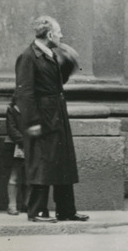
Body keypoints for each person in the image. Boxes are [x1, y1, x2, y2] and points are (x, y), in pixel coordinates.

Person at [15, 16, 88, 223]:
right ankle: (37, 212)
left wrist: (68, 65)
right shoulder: (28, 57)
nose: (61, 35)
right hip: (42, 119)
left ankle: (66, 210)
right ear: (49, 35)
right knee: (42, 163)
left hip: (57, 115)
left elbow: (56, 83)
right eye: (59, 32)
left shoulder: (49, 54)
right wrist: (32, 123)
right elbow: (25, 93)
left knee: (62, 161)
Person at [4, 94, 26, 215]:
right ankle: (12, 205)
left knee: (29, 176)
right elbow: (11, 129)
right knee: (15, 175)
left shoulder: (33, 109)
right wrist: (24, 141)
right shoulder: (12, 110)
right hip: (15, 145)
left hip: (30, 145)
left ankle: (26, 203)